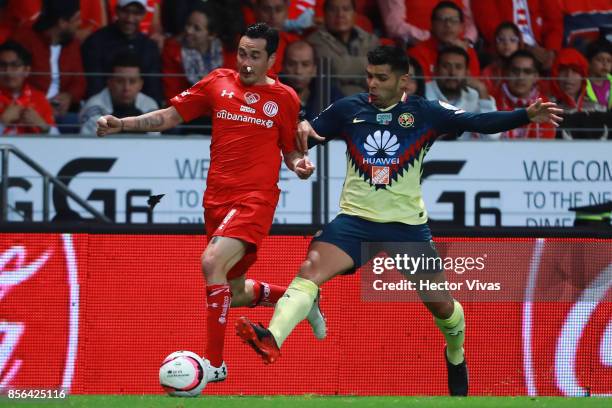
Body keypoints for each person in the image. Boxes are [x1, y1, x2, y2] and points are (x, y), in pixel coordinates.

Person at [235, 45, 562, 396]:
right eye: (369, 76)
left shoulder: (427, 113)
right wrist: (298, 157)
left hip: (406, 228)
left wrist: (525, 115)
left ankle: (455, 353)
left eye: (381, 77)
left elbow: (477, 121)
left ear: (403, 80)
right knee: (310, 270)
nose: (371, 83)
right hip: (354, 220)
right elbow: (302, 139)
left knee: (442, 306)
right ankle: (272, 338)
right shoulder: (349, 110)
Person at [96, 22, 326, 384]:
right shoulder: (218, 81)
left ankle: (214, 365)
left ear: (271, 59)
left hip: (256, 199)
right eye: (242, 53)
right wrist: (122, 124)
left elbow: (290, 150)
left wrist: (300, 164)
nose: (246, 63)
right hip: (216, 199)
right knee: (234, 292)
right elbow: (170, 117)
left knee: (211, 262)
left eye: (254, 56)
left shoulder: (284, 98)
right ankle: (300, 300)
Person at [13, 0, 85, 132]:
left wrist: (69, 96)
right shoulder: (24, 38)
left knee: (85, 123)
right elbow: (15, 81)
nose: (80, 24)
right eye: (76, 19)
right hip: (30, 111)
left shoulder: (73, 44)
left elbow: (79, 81)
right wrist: (42, 105)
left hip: (62, 113)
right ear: (62, 23)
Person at [82, 0, 162, 103]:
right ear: (117, 11)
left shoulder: (149, 47)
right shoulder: (96, 42)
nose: (130, 18)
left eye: (136, 13)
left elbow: (153, 88)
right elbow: (94, 85)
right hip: (103, 106)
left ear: (143, 15)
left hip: (140, 110)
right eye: (125, 11)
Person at [425, 46, 499, 139]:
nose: (452, 73)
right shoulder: (423, 92)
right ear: (436, 69)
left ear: (467, 73)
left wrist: (482, 90)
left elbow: (492, 137)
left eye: (458, 67)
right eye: (446, 66)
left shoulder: (475, 96)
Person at [307, 0, 379, 96]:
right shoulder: (314, 40)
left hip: (372, 102)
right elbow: (336, 68)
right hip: (333, 103)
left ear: (354, 14)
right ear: (324, 14)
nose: (340, 14)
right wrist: (370, 64)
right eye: (333, 10)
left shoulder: (370, 40)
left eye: (346, 9)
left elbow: (379, 75)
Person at [80, 52, 158, 135]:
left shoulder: (149, 106)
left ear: (141, 84)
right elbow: (90, 145)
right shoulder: (94, 107)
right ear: (109, 82)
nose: (126, 88)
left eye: (132, 81)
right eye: (120, 81)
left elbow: (154, 143)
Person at [161, 2, 224, 102]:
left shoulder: (224, 53)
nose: (189, 31)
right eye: (188, 25)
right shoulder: (173, 52)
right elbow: (172, 94)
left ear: (211, 35)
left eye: (196, 28)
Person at [407, 1, 480, 81]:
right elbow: (421, 87)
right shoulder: (417, 53)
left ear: (461, 27)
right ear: (432, 24)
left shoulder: (468, 52)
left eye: (453, 20)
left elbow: (473, 86)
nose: (448, 25)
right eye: (442, 20)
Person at [493, 49, 555, 138]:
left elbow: (546, 144)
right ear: (506, 73)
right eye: (515, 71)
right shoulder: (492, 100)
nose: (520, 77)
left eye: (527, 72)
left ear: (536, 77)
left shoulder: (544, 104)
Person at [550, 48, 609, 139]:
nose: (568, 76)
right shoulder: (545, 110)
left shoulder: (599, 109)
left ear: (583, 76)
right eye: (563, 70)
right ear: (555, 74)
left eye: (575, 71)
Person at [0, 40, 57, 135]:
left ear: (27, 70)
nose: (8, 71)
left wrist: (42, 125)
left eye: (15, 66)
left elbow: (61, 142)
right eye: (2, 65)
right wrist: (2, 122)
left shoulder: (39, 98)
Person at [281, 40, 343, 120]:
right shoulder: (272, 95)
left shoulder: (330, 94)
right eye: (291, 64)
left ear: (314, 69)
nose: (298, 71)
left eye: (305, 65)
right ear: (283, 66)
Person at [481, 22, 524, 96]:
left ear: (519, 43)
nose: (506, 44)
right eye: (501, 39)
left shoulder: (526, 68)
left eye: (512, 40)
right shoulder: (488, 72)